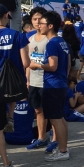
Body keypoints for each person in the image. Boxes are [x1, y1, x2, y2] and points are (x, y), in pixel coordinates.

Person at [0, 4, 30, 167]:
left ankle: (6, 164)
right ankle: (10, 117)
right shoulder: (17, 35)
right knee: (13, 96)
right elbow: (26, 63)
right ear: (6, 15)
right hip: (12, 84)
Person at [29, 11, 70, 162]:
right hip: (60, 84)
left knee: (55, 119)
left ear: (50, 26)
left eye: (42, 23)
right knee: (60, 118)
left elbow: (53, 66)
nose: (39, 25)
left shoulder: (52, 43)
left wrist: (36, 65)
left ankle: (63, 151)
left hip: (53, 84)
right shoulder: (62, 41)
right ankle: (63, 147)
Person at [26, 8, 50, 150]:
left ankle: (56, 139)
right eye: (34, 19)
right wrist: (27, 80)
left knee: (52, 113)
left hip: (48, 81)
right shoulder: (29, 38)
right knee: (38, 111)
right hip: (34, 81)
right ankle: (41, 138)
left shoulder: (50, 39)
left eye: (40, 19)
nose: (37, 22)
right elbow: (28, 62)